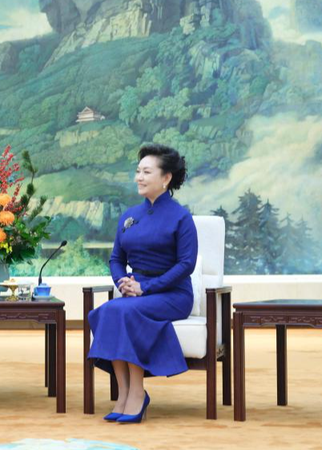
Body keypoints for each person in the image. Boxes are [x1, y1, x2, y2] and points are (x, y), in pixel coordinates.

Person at [88, 144, 197, 424]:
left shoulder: (180, 217)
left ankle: (137, 392)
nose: (139, 177)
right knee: (110, 309)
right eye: (138, 171)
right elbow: (115, 258)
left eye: (146, 172)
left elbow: (186, 265)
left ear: (166, 178)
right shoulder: (129, 216)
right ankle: (123, 392)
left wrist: (145, 288)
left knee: (125, 311)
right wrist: (122, 281)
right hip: (136, 292)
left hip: (172, 294)